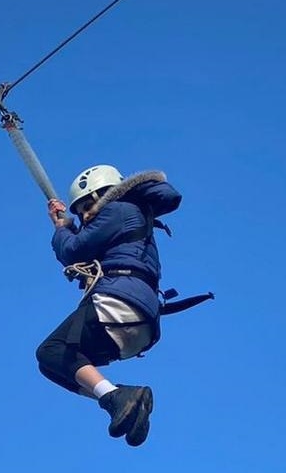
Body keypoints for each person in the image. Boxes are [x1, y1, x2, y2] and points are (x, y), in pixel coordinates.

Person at [35, 164, 182, 447]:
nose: (84, 217)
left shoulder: (118, 209)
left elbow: (73, 250)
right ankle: (116, 398)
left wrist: (62, 229)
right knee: (54, 363)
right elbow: (92, 242)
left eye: (85, 209)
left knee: (51, 350)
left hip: (119, 302)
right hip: (138, 326)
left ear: (100, 195)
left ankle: (116, 397)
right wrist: (69, 227)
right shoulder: (131, 216)